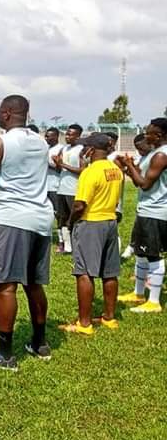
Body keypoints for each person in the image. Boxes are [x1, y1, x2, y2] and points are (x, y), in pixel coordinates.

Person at [0, 95, 53, 371]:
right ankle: (40, 343)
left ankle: (4, 354)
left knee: (6, 286)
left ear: (6, 114)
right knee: (34, 283)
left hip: (12, 219)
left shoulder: (2, 142)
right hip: (41, 218)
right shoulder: (41, 142)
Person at [59, 134, 123, 335]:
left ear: (91, 150)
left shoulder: (89, 172)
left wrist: (70, 222)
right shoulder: (115, 170)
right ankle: (109, 317)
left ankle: (84, 324)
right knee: (110, 272)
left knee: (84, 272)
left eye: (84, 147)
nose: (82, 151)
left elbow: (79, 205)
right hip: (110, 221)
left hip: (91, 223)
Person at [115, 118, 167, 313]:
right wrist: (127, 166)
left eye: (149, 132)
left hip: (156, 211)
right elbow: (139, 179)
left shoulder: (161, 156)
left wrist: (129, 164)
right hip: (145, 209)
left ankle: (153, 301)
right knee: (141, 252)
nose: (146, 135)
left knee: (153, 254)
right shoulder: (153, 153)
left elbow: (145, 184)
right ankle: (138, 293)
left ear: (159, 135)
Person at [54, 124, 85, 254]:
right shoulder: (64, 149)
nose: (67, 136)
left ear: (78, 136)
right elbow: (59, 168)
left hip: (74, 189)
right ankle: (66, 246)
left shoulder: (81, 150)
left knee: (75, 219)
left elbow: (83, 170)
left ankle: (78, 245)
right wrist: (57, 164)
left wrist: (63, 165)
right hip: (62, 188)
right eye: (66, 134)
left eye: (71, 134)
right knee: (62, 217)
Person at [121, 133, 152, 258]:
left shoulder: (157, 157)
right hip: (144, 201)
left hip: (155, 203)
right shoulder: (142, 159)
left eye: (141, 147)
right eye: (137, 148)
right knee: (139, 225)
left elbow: (144, 184)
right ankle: (132, 246)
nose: (139, 151)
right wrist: (131, 169)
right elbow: (137, 183)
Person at [45, 127, 63, 221]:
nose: (46, 138)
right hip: (44, 187)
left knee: (58, 212)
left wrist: (48, 164)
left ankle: (63, 233)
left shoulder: (61, 149)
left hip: (55, 186)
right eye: (45, 136)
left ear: (56, 136)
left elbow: (62, 168)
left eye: (48, 136)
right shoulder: (46, 148)